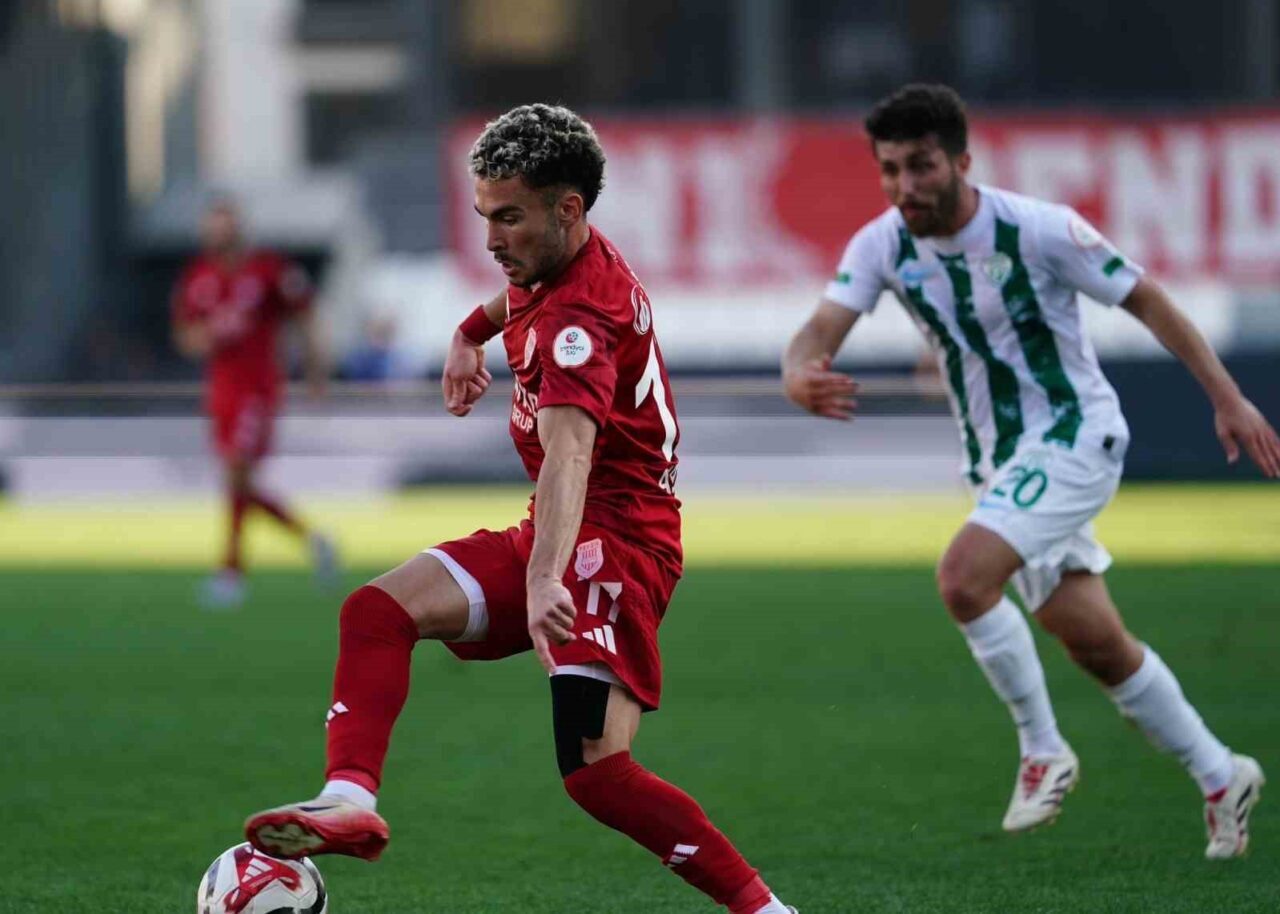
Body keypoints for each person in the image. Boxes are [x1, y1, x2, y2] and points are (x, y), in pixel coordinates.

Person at [242, 105, 796, 914]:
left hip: (615, 546)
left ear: (567, 209)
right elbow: (511, 299)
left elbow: (570, 455)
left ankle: (768, 911)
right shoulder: (556, 260)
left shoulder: (579, 321)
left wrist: (544, 580)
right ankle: (349, 799)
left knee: (598, 775)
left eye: (507, 218)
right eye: (484, 216)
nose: (492, 240)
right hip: (558, 531)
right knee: (377, 611)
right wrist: (467, 334)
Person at [783, 84, 1279, 859]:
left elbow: (1146, 298)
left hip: (1076, 435)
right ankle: (1222, 775)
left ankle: (1043, 749)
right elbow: (819, 330)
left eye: (921, 166)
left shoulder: (1039, 229)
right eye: (890, 169)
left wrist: (1227, 398)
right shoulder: (881, 244)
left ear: (961, 162)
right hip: (998, 463)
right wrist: (798, 372)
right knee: (1097, 645)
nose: (905, 185)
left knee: (962, 579)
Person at [172, 198, 339, 608]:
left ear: (238, 230)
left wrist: (316, 371)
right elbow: (185, 337)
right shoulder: (198, 276)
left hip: (257, 390)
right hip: (221, 392)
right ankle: (313, 540)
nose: (218, 235)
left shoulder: (268, 270)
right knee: (237, 481)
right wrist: (207, 335)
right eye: (212, 227)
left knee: (236, 471)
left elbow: (306, 317)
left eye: (224, 226)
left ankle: (231, 573)